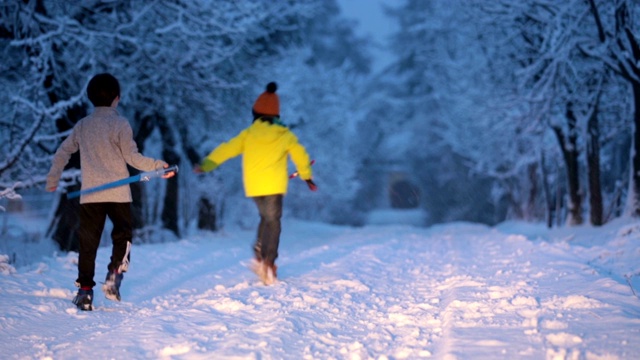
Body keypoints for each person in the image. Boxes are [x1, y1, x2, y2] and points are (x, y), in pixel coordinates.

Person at [45, 73, 175, 311]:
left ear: (90, 98)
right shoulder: (120, 124)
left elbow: (63, 151)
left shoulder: (83, 125)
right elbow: (132, 158)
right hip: (118, 195)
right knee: (123, 236)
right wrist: (158, 166)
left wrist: (53, 178)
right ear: (118, 98)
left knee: (88, 243)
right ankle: (114, 274)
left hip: (91, 195)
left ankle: (85, 292)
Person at [194, 82, 316, 285]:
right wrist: (307, 177)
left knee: (266, 218)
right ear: (276, 115)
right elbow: (301, 156)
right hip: (274, 186)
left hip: (255, 186)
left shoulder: (248, 135)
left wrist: (207, 165)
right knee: (274, 221)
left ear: (256, 113)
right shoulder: (285, 135)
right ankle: (268, 261)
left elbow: (226, 149)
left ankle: (259, 251)